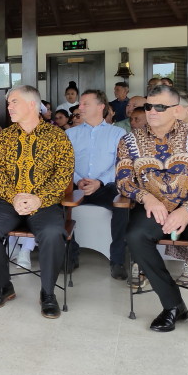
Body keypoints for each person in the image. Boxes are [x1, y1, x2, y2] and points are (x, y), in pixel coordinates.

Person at [117, 85, 188, 343]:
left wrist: (187, 209)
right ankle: (173, 305)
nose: (152, 111)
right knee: (135, 236)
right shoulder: (129, 140)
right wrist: (146, 198)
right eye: (148, 106)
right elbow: (123, 180)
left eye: (160, 107)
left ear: (177, 110)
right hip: (155, 206)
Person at [0, 85, 74, 319]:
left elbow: (64, 173)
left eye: (14, 102)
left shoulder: (57, 136)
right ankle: (2, 287)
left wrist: (39, 198)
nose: (9, 107)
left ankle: (48, 293)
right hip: (8, 200)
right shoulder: (4, 137)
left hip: (44, 202)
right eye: (8, 103)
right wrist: (15, 196)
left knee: (53, 233)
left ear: (32, 104)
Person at [66, 90, 128, 278]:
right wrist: (78, 180)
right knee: (54, 203)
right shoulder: (70, 133)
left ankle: (117, 260)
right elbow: (64, 164)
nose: (80, 107)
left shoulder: (117, 133)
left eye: (85, 103)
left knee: (123, 204)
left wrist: (99, 182)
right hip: (77, 186)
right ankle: (70, 255)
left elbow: (121, 163)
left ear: (101, 107)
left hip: (106, 187)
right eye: (80, 104)